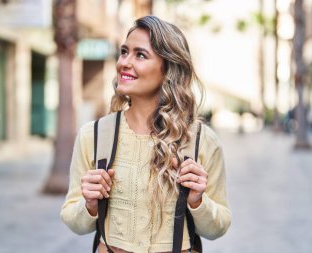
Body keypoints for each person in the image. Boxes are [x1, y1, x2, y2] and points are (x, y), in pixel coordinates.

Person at [60, 15, 231, 253]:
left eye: (140, 55)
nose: (124, 63)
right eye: (124, 52)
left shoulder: (203, 141)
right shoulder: (94, 135)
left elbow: (218, 227)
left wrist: (198, 201)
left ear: (168, 69)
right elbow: (73, 219)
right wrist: (89, 205)